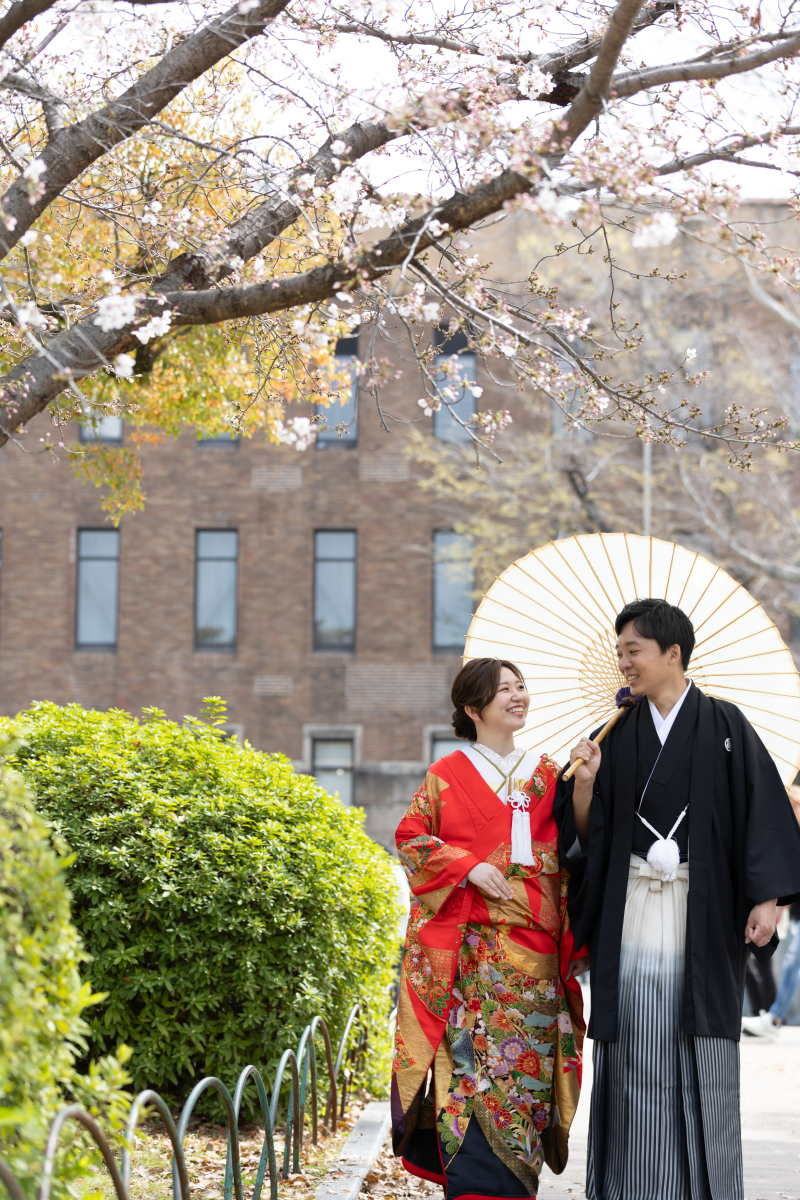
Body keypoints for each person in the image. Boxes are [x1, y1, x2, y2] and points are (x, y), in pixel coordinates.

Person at [553, 598, 800, 1200]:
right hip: (635, 904)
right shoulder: (611, 734)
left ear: (673, 653)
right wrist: (584, 786)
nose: (624, 664)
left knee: (704, 1046)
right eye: (619, 654)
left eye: (632, 651)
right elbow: (586, 836)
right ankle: (636, 1185)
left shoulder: (725, 724)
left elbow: (762, 813)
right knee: (636, 1040)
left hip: (704, 909)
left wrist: (768, 899)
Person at [392, 657, 588, 1200]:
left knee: (524, 1078)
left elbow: (574, 851)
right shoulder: (447, 773)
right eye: (505, 689)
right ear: (473, 707)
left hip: (533, 962)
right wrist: (466, 866)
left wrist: (586, 784)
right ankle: (471, 1186)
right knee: (466, 1072)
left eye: (522, 686)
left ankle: (517, 1184)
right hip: (467, 958)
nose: (519, 695)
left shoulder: (551, 773)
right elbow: (411, 838)